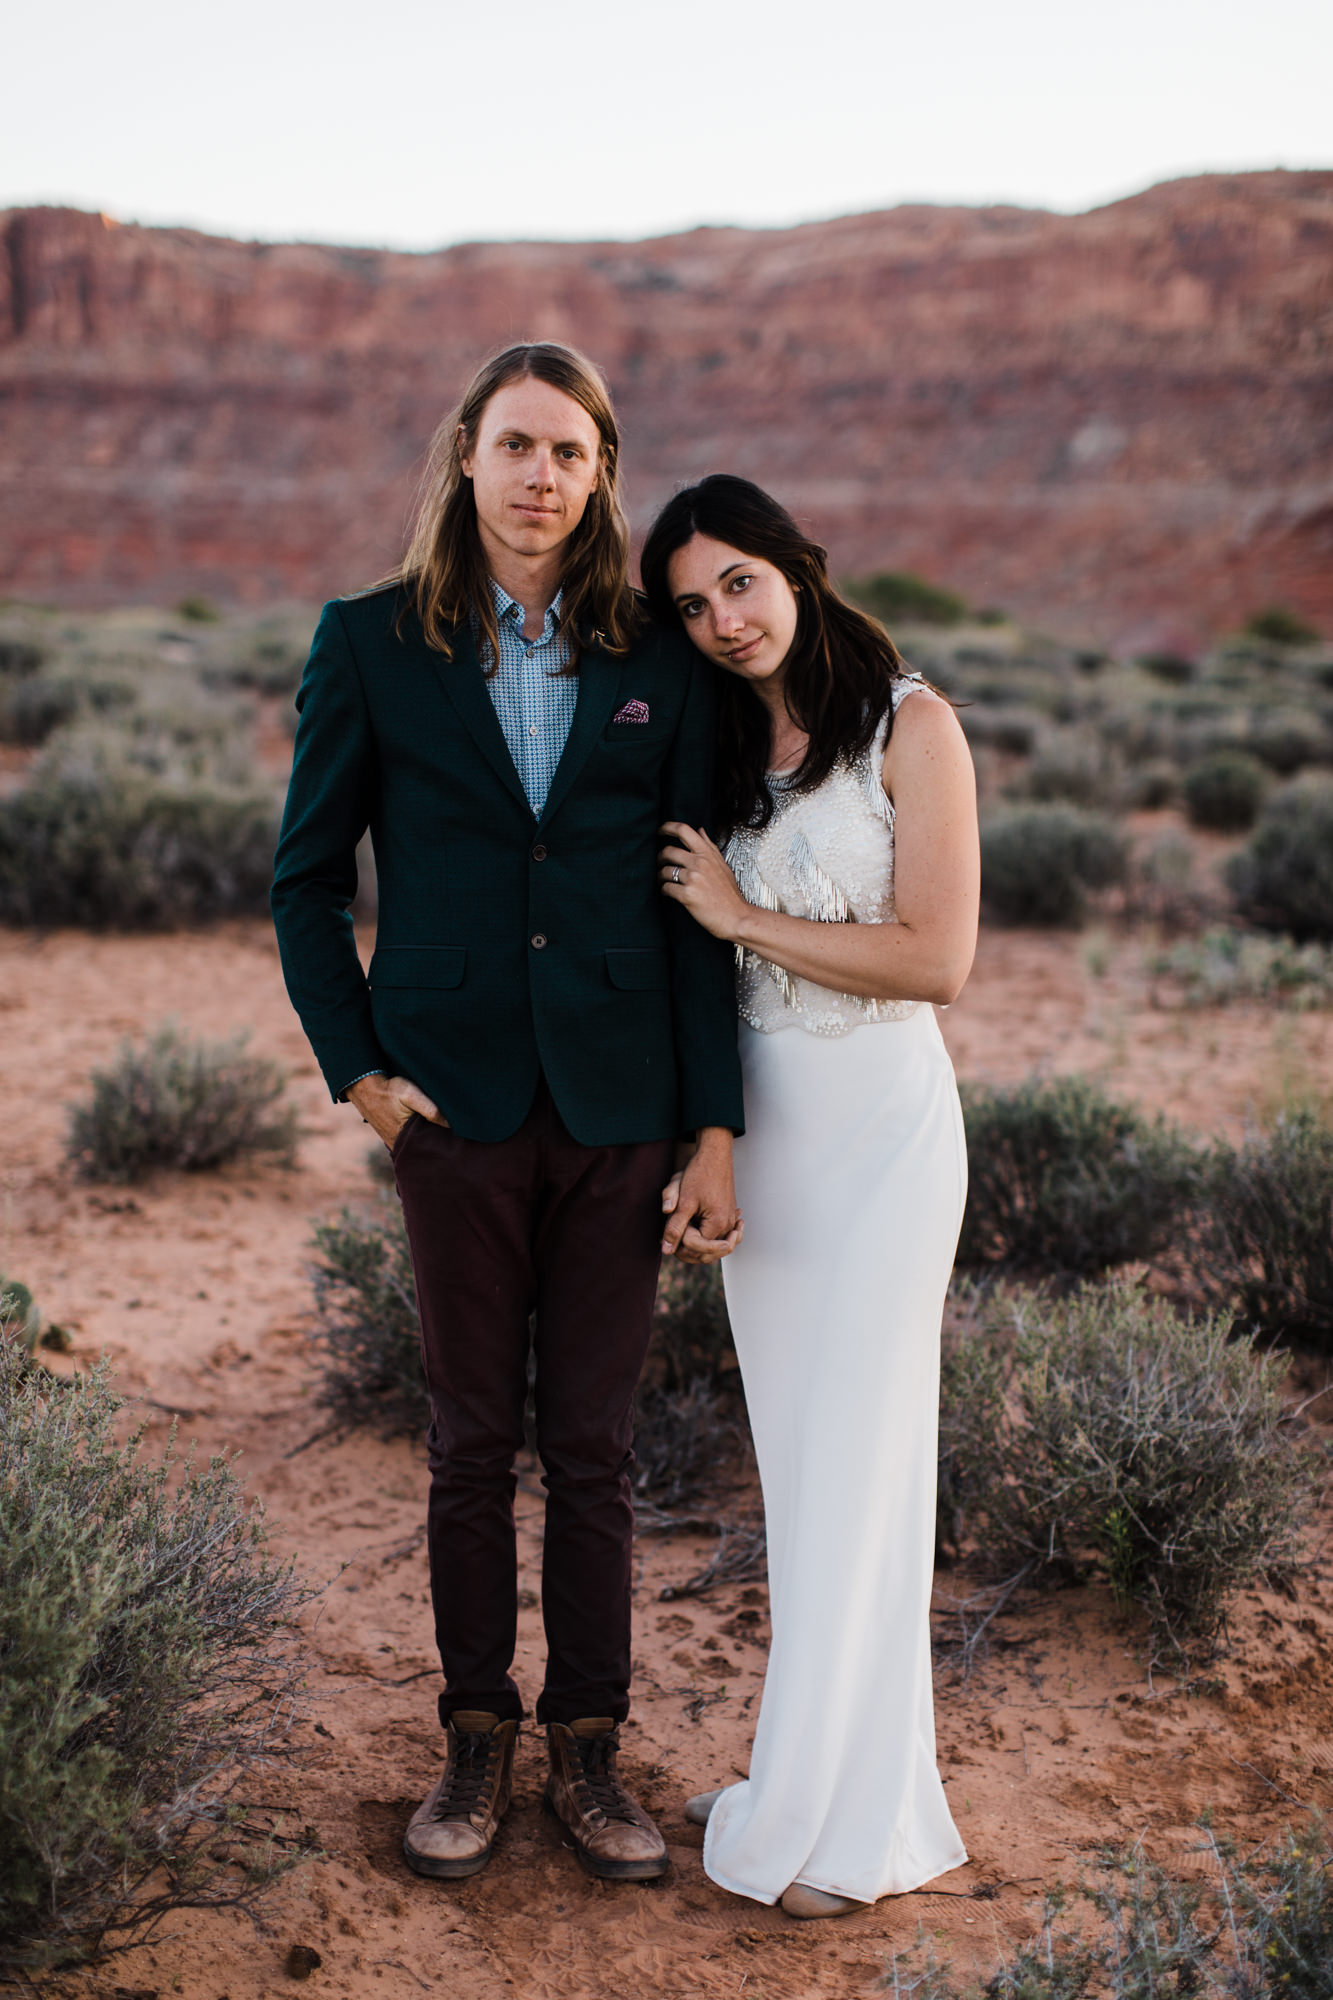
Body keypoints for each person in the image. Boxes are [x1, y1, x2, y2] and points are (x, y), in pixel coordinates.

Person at [271, 345, 744, 1887]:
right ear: (463, 456)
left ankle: (589, 1754)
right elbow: (303, 880)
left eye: (573, 453)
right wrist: (358, 1073)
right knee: (473, 1443)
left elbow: (688, 912)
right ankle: (474, 1738)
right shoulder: (367, 644)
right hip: (451, 1106)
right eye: (516, 446)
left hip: (618, 1110)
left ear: (601, 473)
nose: (542, 478)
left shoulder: (651, 664)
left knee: (595, 1449)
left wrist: (711, 1125)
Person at [642, 475, 979, 1920]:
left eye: (737, 583)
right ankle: (819, 1779)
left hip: (885, 1138)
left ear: (793, 564)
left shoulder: (914, 724)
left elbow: (933, 960)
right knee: (802, 1472)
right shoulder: (714, 746)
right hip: (763, 1139)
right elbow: (690, 977)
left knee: (870, 1461)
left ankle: (853, 1820)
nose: (720, 620)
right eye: (691, 605)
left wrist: (737, 913)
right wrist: (698, 1141)